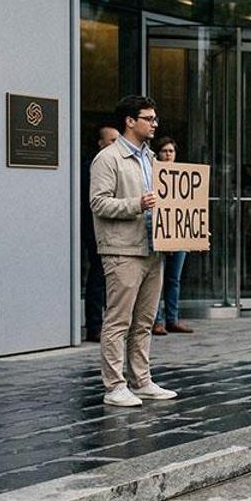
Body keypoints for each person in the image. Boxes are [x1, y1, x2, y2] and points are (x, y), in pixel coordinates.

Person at [89, 95, 178, 407]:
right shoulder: (109, 159)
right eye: (148, 118)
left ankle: (141, 380)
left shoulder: (151, 159)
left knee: (144, 320)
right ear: (130, 121)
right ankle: (114, 386)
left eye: (154, 118)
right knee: (118, 321)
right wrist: (136, 204)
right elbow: (98, 203)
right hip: (122, 250)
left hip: (153, 249)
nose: (154, 124)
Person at [151, 136, 193, 336]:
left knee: (174, 278)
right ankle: (156, 320)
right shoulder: (150, 175)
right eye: (165, 151)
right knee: (158, 278)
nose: (168, 154)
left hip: (179, 233)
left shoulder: (183, 175)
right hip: (161, 232)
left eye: (171, 151)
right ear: (157, 153)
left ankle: (172, 319)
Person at [82, 124, 118, 342]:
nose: (116, 144)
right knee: (97, 276)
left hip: (113, 229)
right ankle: (95, 325)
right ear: (100, 144)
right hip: (95, 229)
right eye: (112, 140)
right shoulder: (92, 167)